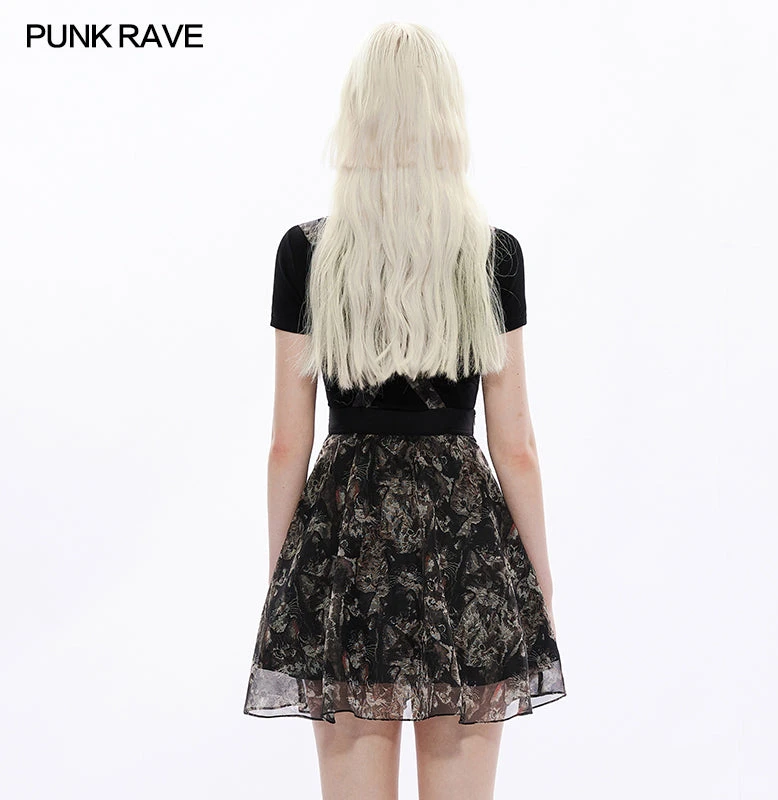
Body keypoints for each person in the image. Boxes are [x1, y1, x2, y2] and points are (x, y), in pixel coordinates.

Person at [243, 21, 566, 800]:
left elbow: (287, 443)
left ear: (357, 118)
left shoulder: (308, 253)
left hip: (344, 539)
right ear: (445, 120)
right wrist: (539, 581)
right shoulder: (490, 254)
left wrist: (287, 576)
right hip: (463, 542)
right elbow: (516, 444)